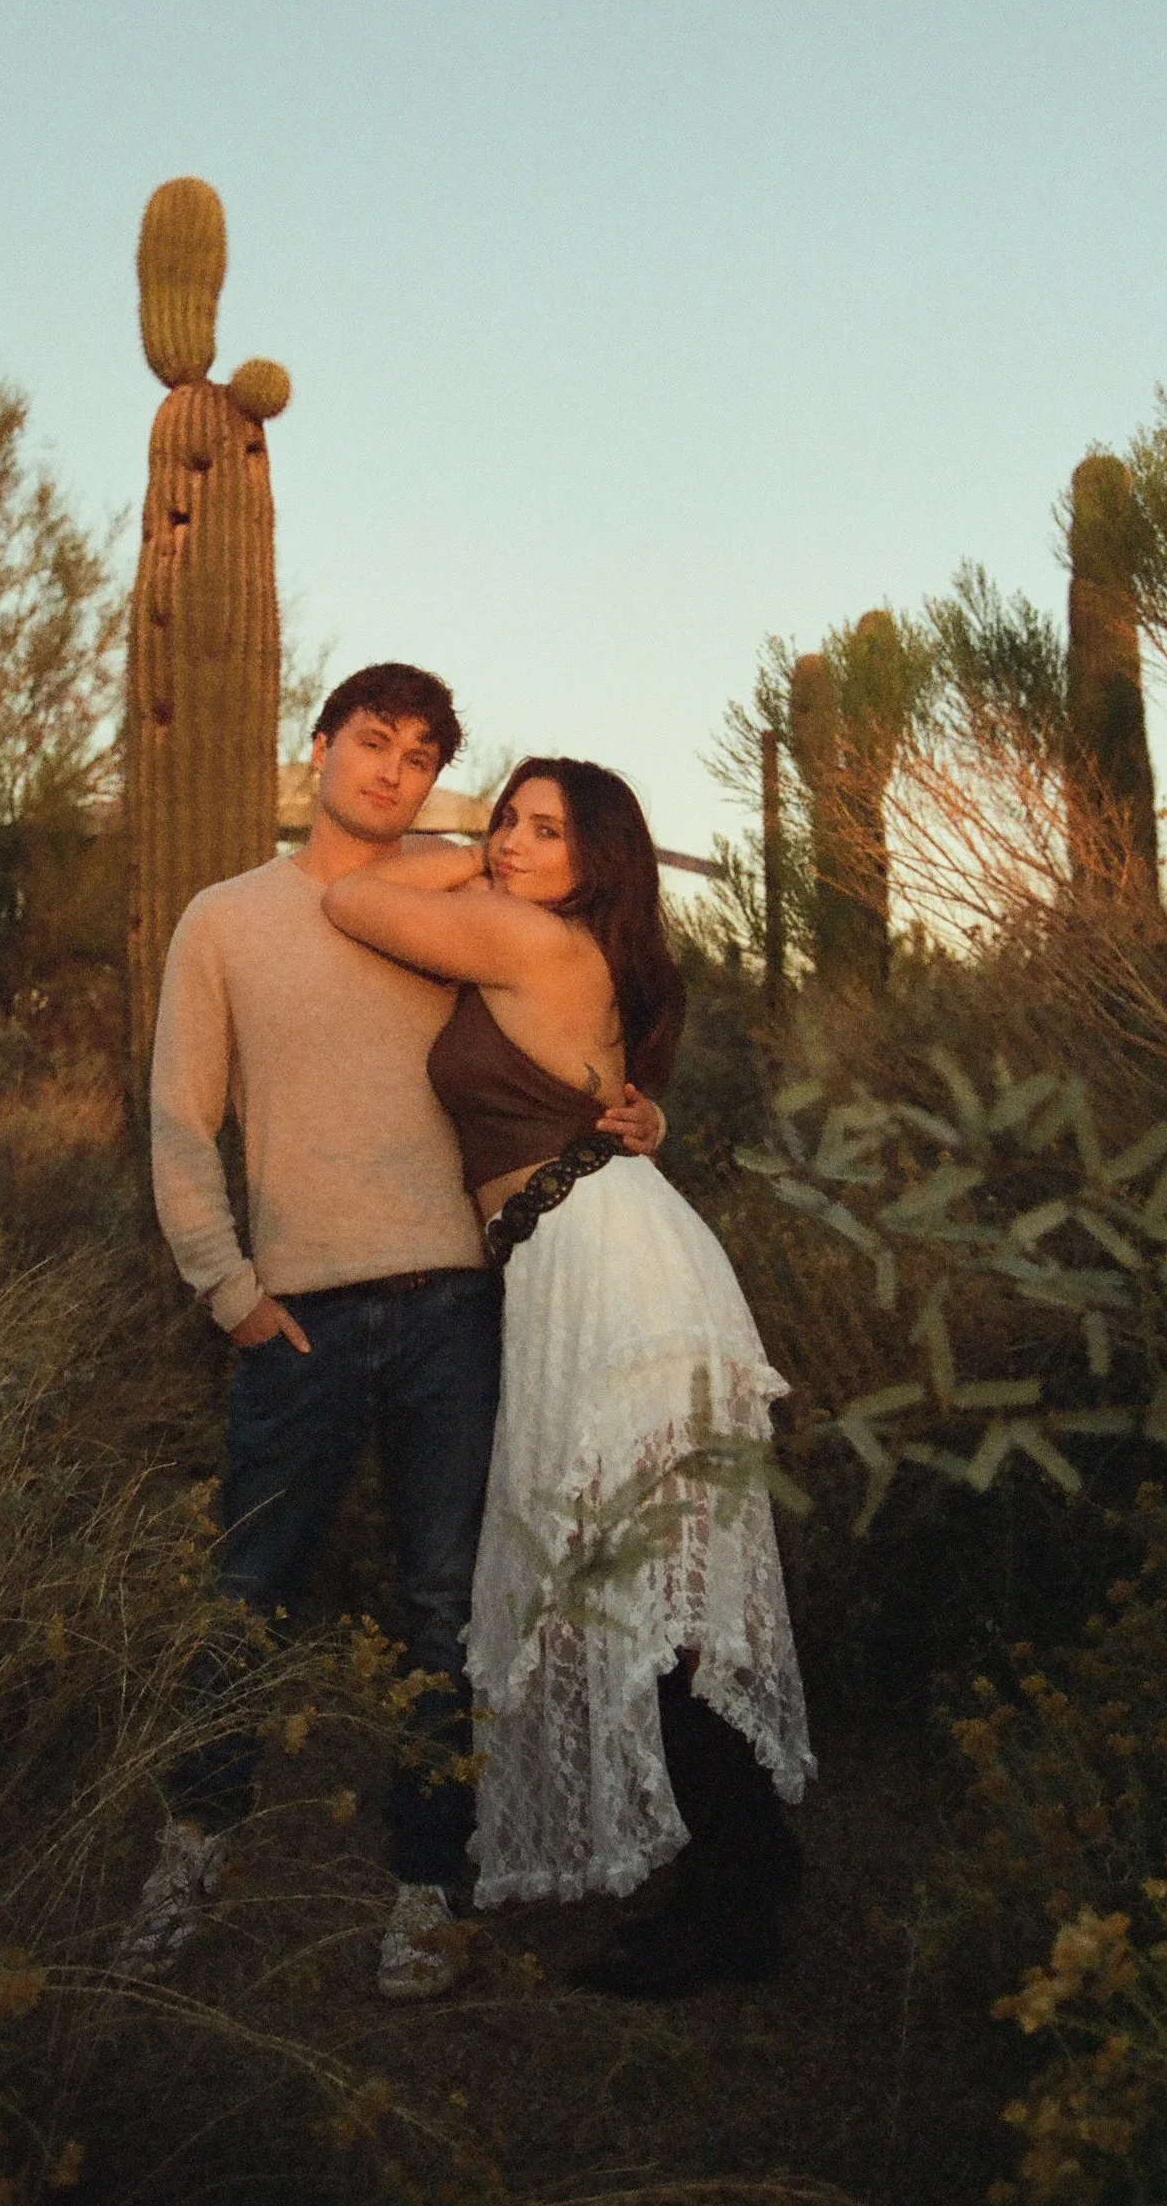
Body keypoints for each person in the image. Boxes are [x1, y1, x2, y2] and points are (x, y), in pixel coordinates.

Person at [126, 666, 665, 1999]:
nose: (390, 771)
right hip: (293, 1311)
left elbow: (570, 1041)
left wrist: (638, 1113)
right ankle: (192, 1851)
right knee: (245, 1594)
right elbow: (182, 1116)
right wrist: (226, 1285)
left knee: (443, 1608)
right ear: (317, 744)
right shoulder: (225, 918)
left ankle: (427, 1884)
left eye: (419, 759)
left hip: (455, 1305)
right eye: (372, 743)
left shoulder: (477, 907)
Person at [323, 757, 813, 1997]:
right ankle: (740, 1878)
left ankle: (737, 1900)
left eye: (545, 830)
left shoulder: (526, 938)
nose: (510, 843)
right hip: (590, 1264)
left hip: (614, 1281)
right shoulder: (566, 946)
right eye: (506, 819)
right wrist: (483, 851)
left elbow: (351, 903)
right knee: (652, 1594)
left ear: (597, 861)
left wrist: (455, 851)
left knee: (654, 1595)